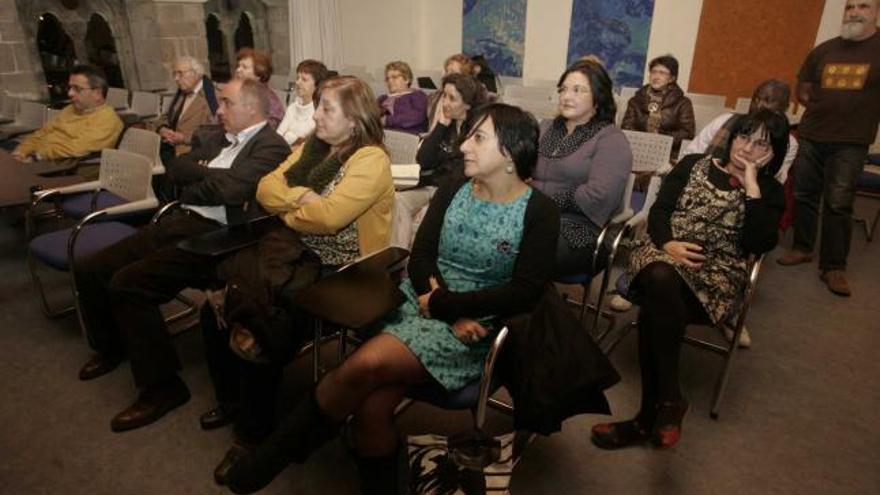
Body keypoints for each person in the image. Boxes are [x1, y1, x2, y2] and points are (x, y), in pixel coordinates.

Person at [217, 103, 559, 494]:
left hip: (476, 326)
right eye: (468, 135)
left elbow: (525, 292)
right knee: (371, 408)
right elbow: (422, 257)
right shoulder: (454, 188)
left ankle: (266, 461)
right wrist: (439, 303)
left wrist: (449, 310)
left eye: (478, 138)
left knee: (364, 366)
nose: (464, 146)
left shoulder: (540, 211)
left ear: (511, 153)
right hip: (423, 300)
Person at [204, 75, 395, 484]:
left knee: (262, 323)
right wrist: (301, 200)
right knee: (218, 305)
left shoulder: (370, 159)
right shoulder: (314, 146)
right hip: (295, 250)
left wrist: (298, 207)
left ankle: (252, 437)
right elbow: (266, 186)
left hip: (343, 268)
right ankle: (232, 400)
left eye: (327, 108)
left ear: (355, 120)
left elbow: (329, 219)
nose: (317, 114)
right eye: (319, 105)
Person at [72, 78, 290, 432]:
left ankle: (163, 388)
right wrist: (211, 177)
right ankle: (114, 347)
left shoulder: (272, 147)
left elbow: (233, 190)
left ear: (251, 108)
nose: (218, 110)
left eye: (226, 103)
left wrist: (204, 177)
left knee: (128, 284)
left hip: (219, 236)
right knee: (93, 266)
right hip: (181, 218)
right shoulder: (219, 137)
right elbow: (175, 170)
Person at [590, 110, 788, 451]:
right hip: (662, 252)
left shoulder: (769, 191)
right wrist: (668, 243)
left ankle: (646, 419)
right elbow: (660, 212)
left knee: (657, 306)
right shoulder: (694, 164)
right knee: (661, 275)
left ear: (774, 153)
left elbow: (759, 243)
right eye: (744, 137)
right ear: (732, 137)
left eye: (761, 144)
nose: (748, 148)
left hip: (715, 276)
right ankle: (669, 400)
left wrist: (752, 186)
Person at [777, 0, 880, 297]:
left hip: (851, 142)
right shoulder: (824, 50)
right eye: (850, 7)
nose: (855, 12)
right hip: (812, 135)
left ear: (875, 12)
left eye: (864, 6)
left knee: (838, 202)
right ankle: (802, 248)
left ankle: (834, 266)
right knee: (804, 195)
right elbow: (804, 89)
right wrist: (826, 111)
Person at [531, 58, 633, 276]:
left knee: (527, 251)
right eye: (564, 89)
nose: (567, 96)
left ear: (598, 97)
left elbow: (599, 196)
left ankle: (542, 308)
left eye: (578, 90)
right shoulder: (547, 127)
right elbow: (521, 172)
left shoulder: (611, 139)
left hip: (583, 229)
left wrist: (535, 195)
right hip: (535, 215)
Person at [391, 72, 488, 248]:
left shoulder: (478, 130)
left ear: (467, 103)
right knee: (398, 200)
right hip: (433, 185)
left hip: (457, 191)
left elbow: (464, 174)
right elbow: (423, 160)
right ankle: (399, 257)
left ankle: (419, 258)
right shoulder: (448, 124)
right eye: (444, 95)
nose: (444, 103)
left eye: (452, 98)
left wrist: (434, 199)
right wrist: (441, 126)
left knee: (428, 214)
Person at [685, 79, 798, 184]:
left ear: (785, 108)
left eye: (767, 101)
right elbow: (692, 153)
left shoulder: (788, 142)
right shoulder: (725, 120)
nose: (759, 105)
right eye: (756, 99)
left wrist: (751, 174)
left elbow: (775, 179)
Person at [11, 65, 123, 162]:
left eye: (77, 89)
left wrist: (36, 156)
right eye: (69, 88)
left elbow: (76, 148)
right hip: (38, 157)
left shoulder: (107, 120)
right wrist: (21, 151)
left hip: (64, 168)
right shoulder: (70, 109)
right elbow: (42, 133)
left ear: (97, 93)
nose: (70, 93)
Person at [621, 54, 695, 156]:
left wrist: (660, 138)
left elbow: (687, 133)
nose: (656, 77)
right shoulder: (635, 100)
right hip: (636, 150)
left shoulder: (683, 103)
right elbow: (626, 127)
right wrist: (644, 140)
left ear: (672, 78)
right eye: (653, 72)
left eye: (662, 73)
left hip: (668, 154)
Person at [150, 56, 218, 162]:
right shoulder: (181, 94)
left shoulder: (212, 96)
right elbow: (165, 117)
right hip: (171, 148)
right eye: (174, 74)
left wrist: (183, 138)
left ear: (196, 73)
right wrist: (162, 129)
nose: (176, 78)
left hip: (194, 151)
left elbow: (216, 132)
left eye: (180, 73)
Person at [275, 59, 329, 147]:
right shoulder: (292, 108)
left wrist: (289, 136)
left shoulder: (319, 113)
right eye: (297, 78)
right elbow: (277, 138)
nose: (297, 82)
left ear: (317, 85)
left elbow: (302, 142)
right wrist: (292, 137)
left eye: (304, 79)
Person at [235, 48, 285, 129]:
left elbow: (267, 129)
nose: (238, 70)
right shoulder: (235, 94)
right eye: (238, 66)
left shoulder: (270, 100)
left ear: (258, 74)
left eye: (244, 67)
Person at [378, 60, 429, 134]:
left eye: (394, 77)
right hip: (384, 135)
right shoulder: (382, 98)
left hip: (408, 136)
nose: (390, 81)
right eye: (387, 78)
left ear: (407, 79)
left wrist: (387, 120)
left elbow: (416, 118)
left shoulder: (417, 96)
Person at [426, 53, 474, 129]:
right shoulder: (434, 97)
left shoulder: (468, 104)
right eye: (446, 71)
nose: (445, 75)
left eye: (452, 72)